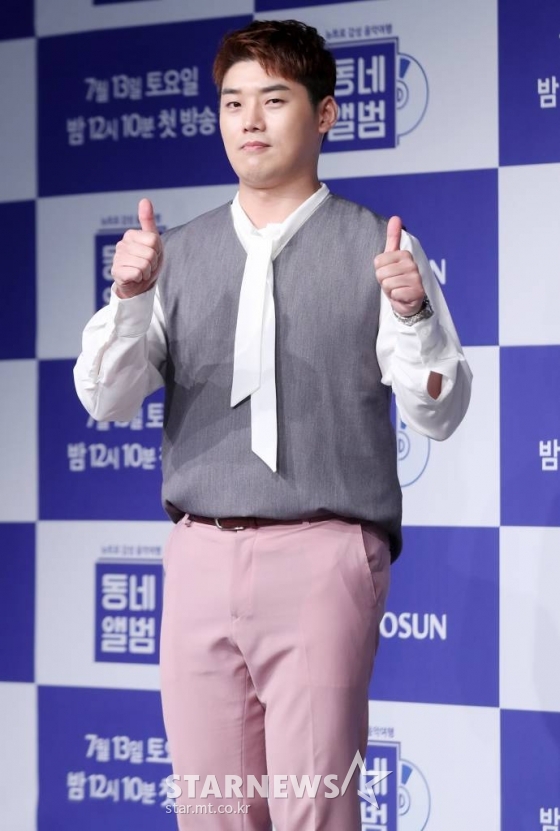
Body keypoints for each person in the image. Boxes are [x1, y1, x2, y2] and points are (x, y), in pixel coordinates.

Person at [74, 18, 472, 831]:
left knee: (314, 809)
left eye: (274, 99)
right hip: (199, 554)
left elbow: (440, 409)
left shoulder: (381, 249)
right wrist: (129, 298)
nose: (249, 121)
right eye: (232, 102)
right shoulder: (172, 255)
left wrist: (414, 313)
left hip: (323, 555)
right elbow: (104, 398)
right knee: (211, 809)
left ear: (325, 114)